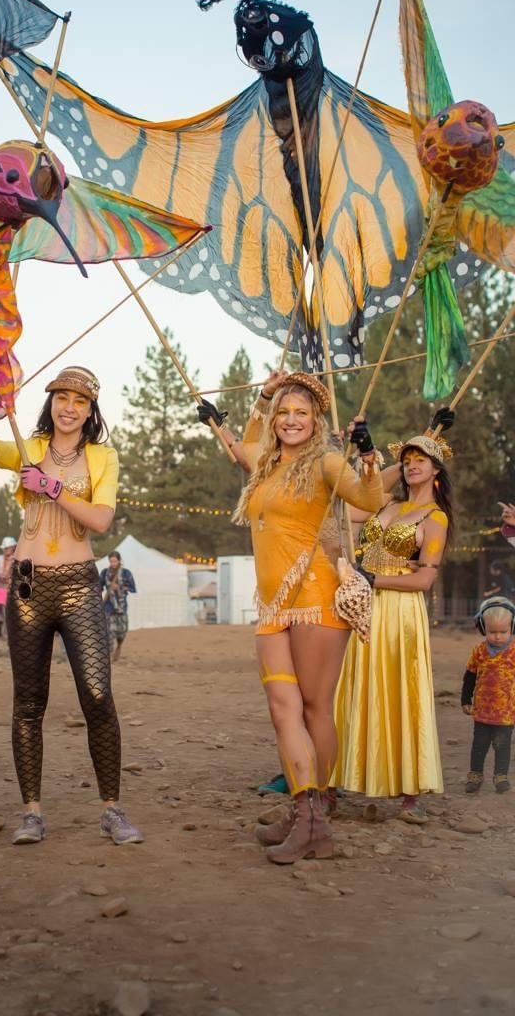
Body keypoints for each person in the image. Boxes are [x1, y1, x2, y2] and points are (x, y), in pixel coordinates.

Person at [198, 370, 383, 864]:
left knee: (313, 709)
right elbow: (245, 448)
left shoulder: (325, 460)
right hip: (272, 604)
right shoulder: (267, 465)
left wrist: (366, 457)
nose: (291, 420)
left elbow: (370, 500)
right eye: (284, 412)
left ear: (316, 419)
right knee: (283, 709)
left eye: (301, 412)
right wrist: (260, 399)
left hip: (316, 595)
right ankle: (305, 814)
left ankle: (317, 817)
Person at [0, 365, 142, 847]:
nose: (69, 407)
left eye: (79, 400)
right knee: (28, 702)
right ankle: (32, 812)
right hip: (27, 586)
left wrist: (53, 488)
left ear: (90, 409)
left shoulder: (103, 456)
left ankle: (111, 808)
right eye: (62, 397)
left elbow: (101, 520)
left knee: (98, 695)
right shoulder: (30, 446)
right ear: (51, 402)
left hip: (81, 584)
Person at [333, 419, 454, 824]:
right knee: (347, 689)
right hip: (361, 606)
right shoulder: (386, 505)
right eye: (408, 460)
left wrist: (373, 577)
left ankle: (409, 794)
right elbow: (352, 504)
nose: (412, 465)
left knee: (398, 691)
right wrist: (403, 449)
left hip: (398, 611)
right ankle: (331, 781)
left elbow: (424, 578)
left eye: (422, 461)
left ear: (437, 471)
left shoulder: (435, 519)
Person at [462, 596, 515, 794]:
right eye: (493, 632)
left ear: (512, 628)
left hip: (506, 712)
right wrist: (465, 700)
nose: (498, 636)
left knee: (502, 745)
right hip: (483, 710)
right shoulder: (479, 651)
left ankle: (501, 776)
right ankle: (475, 775)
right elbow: (469, 676)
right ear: (483, 627)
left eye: (503, 632)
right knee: (479, 744)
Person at [100, 551, 136, 660]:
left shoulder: (126, 573)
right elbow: (98, 587)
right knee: (109, 631)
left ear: (119, 560)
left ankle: (119, 646)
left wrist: (120, 587)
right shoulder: (104, 573)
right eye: (111, 561)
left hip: (122, 606)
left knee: (123, 631)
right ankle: (109, 655)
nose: (113, 563)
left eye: (115, 561)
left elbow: (133, 588)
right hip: (108, 606)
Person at [0, 536, 16, 650]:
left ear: (13, 548)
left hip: (10, 590)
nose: (5, 550)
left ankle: (9, 640)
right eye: (4, 548)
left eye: (7, 548)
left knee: (8, 616)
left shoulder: (16, 560)